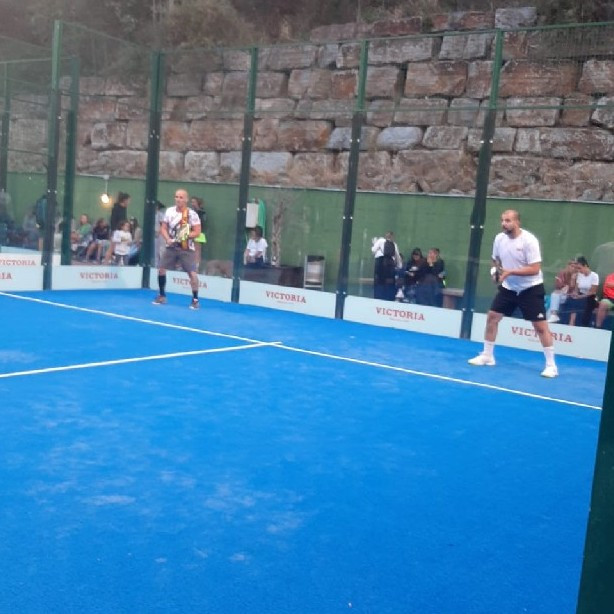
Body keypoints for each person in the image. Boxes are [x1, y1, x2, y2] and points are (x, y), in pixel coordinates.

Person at [468, 209, 558, 378]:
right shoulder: (499, 239)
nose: (504, 224)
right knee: (492, 317)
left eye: (508, 220)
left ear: (517, 222)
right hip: (509, 288)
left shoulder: (529, 241)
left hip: (531, 288)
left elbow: (535, 269)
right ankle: (487, 355)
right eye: (502, 220)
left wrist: (510, 272)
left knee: (540, 327)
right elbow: (495, 261)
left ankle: (551, 365)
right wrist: (495, 272)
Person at [153, 188, 202, 309]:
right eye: (176, 197)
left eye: (181, 197)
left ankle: (195, 300)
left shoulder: (192, 214)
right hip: (171, 247)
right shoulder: (169, 211)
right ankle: (162, 296)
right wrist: (167, 239)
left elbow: (197, 232)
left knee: (192, 274)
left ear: (186, 199)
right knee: (161, 269)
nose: (178, 199)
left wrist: (184, 236)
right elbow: (163, 228)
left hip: (186, 248)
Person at [565, 256, 599, 327]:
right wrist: (575, 294)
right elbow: (577, 289)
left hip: (590, 296)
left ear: (585, 266)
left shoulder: (594, 276)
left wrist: (580, 296)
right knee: (572, 300)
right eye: (577, 268)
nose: (578, 270)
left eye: (579, 268)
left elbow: (592, 291)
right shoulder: (580, 275)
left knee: (587, 303)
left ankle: (584, 325)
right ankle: (571, 322)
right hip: (580, 295)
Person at [372, 231, 402, 301]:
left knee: (379, 286)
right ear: (392, 237)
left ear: (386, 236)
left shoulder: (380, 240)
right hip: (390, 269)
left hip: (380, 266)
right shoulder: (394, 244)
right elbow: (397, 256)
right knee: (388, 288)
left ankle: (379, 298)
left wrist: (374, 244)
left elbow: (373, 250)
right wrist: (399, 266)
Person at [103, 192, 131, 263]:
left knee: (118, 248)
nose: (129, 202)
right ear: (124, 200)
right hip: (116, 230)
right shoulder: (116, 208)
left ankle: (115, 262)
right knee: (111, 248)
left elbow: (123, 220)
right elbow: (113, 220)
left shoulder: (124, 208)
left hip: (121, 230)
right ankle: (105, 262)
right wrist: (114, 231)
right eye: (128, 200)